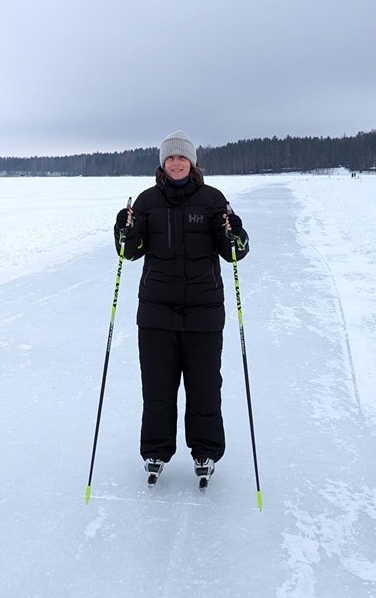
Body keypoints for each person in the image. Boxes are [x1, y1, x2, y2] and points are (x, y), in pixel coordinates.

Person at [113, 130, 250, 487]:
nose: (176, 163)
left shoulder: (212, 199)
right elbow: (129, 252)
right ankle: (156, 451)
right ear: (163, 163)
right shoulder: (145, 201)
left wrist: (236, 232)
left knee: (205, 387)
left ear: (192, 163)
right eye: (170, 158)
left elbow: (235, 251)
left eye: (182, 158)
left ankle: (205, 451)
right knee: (157, 388)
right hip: (156, 314)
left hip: (204, 313)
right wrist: (122, 232)